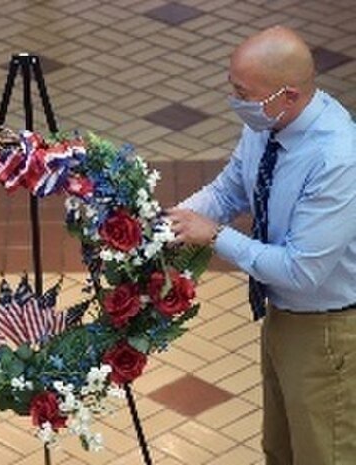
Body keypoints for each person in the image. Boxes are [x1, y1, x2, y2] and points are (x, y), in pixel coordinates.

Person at [168, 26, 356, 465]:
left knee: (323, 455)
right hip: (282, 319)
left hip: (327, 332)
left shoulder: (338, 160)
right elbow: (229, 190)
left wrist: (215, 236)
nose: (235, 101)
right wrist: (169, 223)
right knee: (281, 451)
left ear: (287, 95)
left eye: (242, 92)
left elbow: (302, 271)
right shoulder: (267, 124)